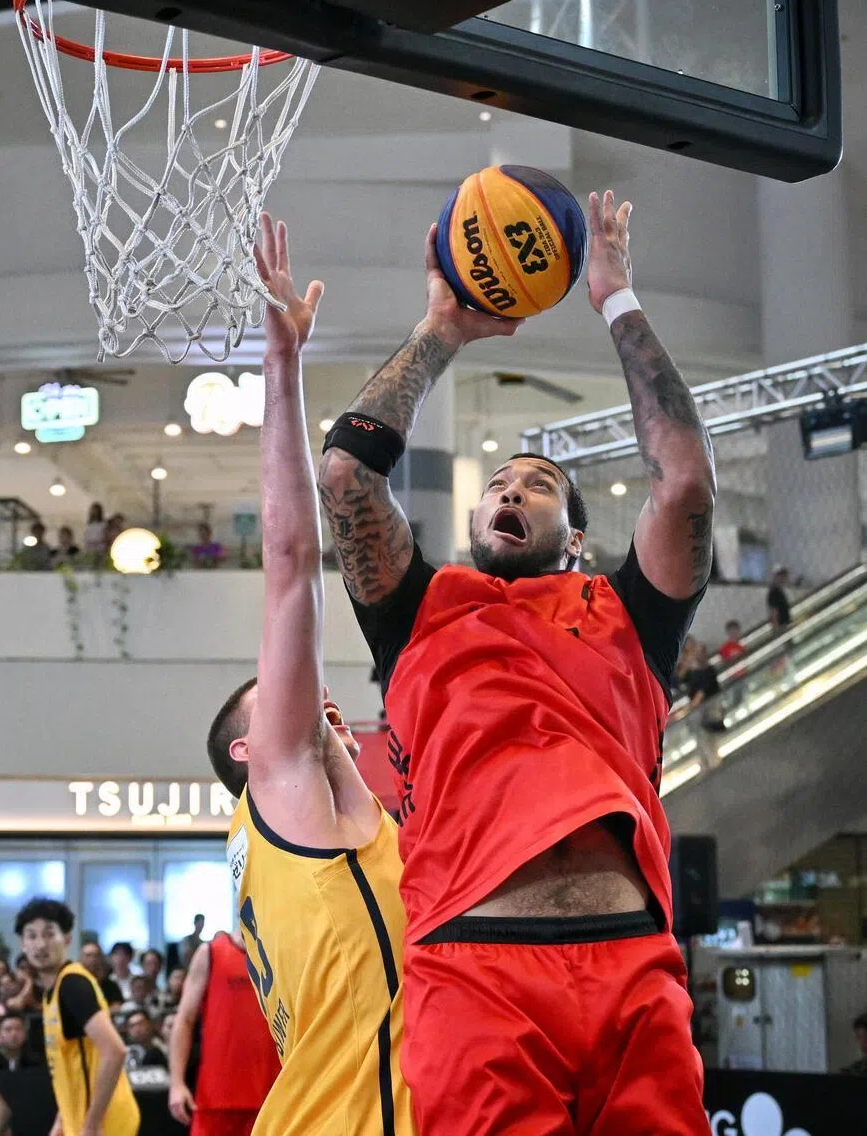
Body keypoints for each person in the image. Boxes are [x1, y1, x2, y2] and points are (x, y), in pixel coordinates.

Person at [318, 192, 715, 1134]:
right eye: (499, 483)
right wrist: (441, 330)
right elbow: (345, 475)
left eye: (538, 486)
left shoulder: (628, 613)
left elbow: (686, 480)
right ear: (471, 521)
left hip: (631, 968)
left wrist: (617, 300)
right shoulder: (417, 612)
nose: (513, 491)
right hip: (473, 969)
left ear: (573, 537)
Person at [207, 215, 414, 1134]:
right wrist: (283, 366)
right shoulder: (282, 788)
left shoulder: (332, 825)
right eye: (279, 703)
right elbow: (291, 561)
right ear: (251, 750)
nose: (308, 697)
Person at [15, 897, 140, 1136]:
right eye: (32, 936)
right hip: (82, 1121)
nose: (40, 944)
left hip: (104, 1125)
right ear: (23, 944)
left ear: (67, 939)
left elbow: (115, 1051)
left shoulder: (73, 985)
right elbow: (72, 1065)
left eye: (49, 934)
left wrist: (92, 1124)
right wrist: (61, 1121)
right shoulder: (52, 992)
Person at [168, 931, 280, 1136]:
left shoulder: (283, 953)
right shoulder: (211, 953)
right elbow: (184, 1019)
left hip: (273, 1098)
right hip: (216, 1099)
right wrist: (176, 1083)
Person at [78, 942, 124, 1007]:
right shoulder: (75, 984)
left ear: (101, 958)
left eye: (96, 955)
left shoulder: (111, 985)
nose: (92, 959)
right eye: (88, 955)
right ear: (80, 959)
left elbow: (117, 1006)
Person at [767, 565, 792, 632]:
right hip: (781, 627)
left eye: (784, 576)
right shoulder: (774, 591)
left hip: (784, 626)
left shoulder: (779, 591)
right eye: (781, 575)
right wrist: (776, 628)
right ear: (776, 576)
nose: (784, 578)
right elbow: (774, 611)